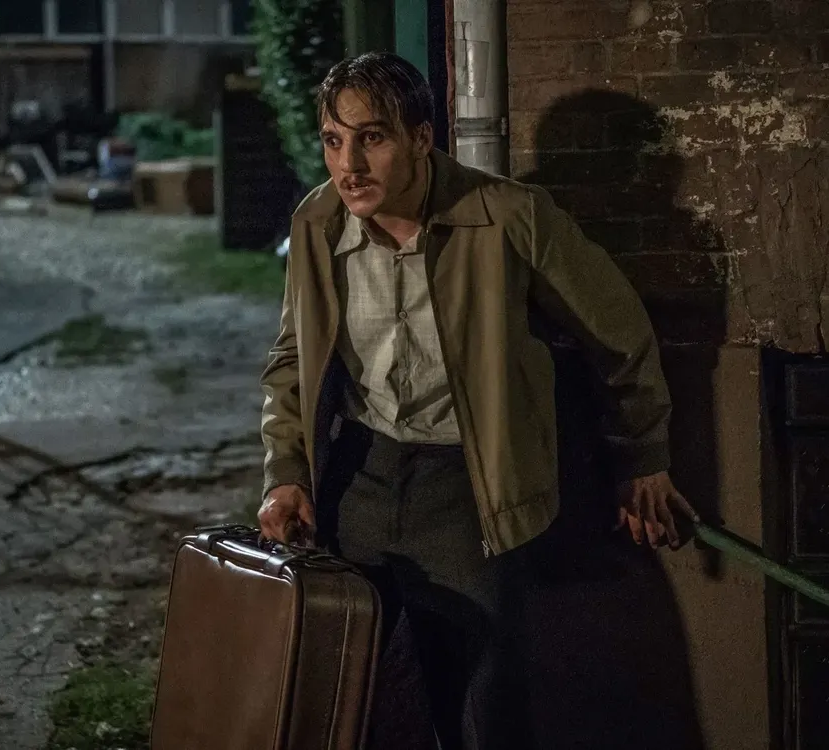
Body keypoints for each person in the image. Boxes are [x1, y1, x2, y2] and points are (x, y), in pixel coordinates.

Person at [256, 52, 699, 750]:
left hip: (468, 491)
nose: (349, 166)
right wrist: (286, 471)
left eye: (372, 138)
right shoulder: (317, 221)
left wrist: (642, 455)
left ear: (421, 139)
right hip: (358, 481)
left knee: (481, 710)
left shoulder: (508, 216)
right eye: (333, 141)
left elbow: (620, 334)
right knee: (342, 701)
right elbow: (292, 357)